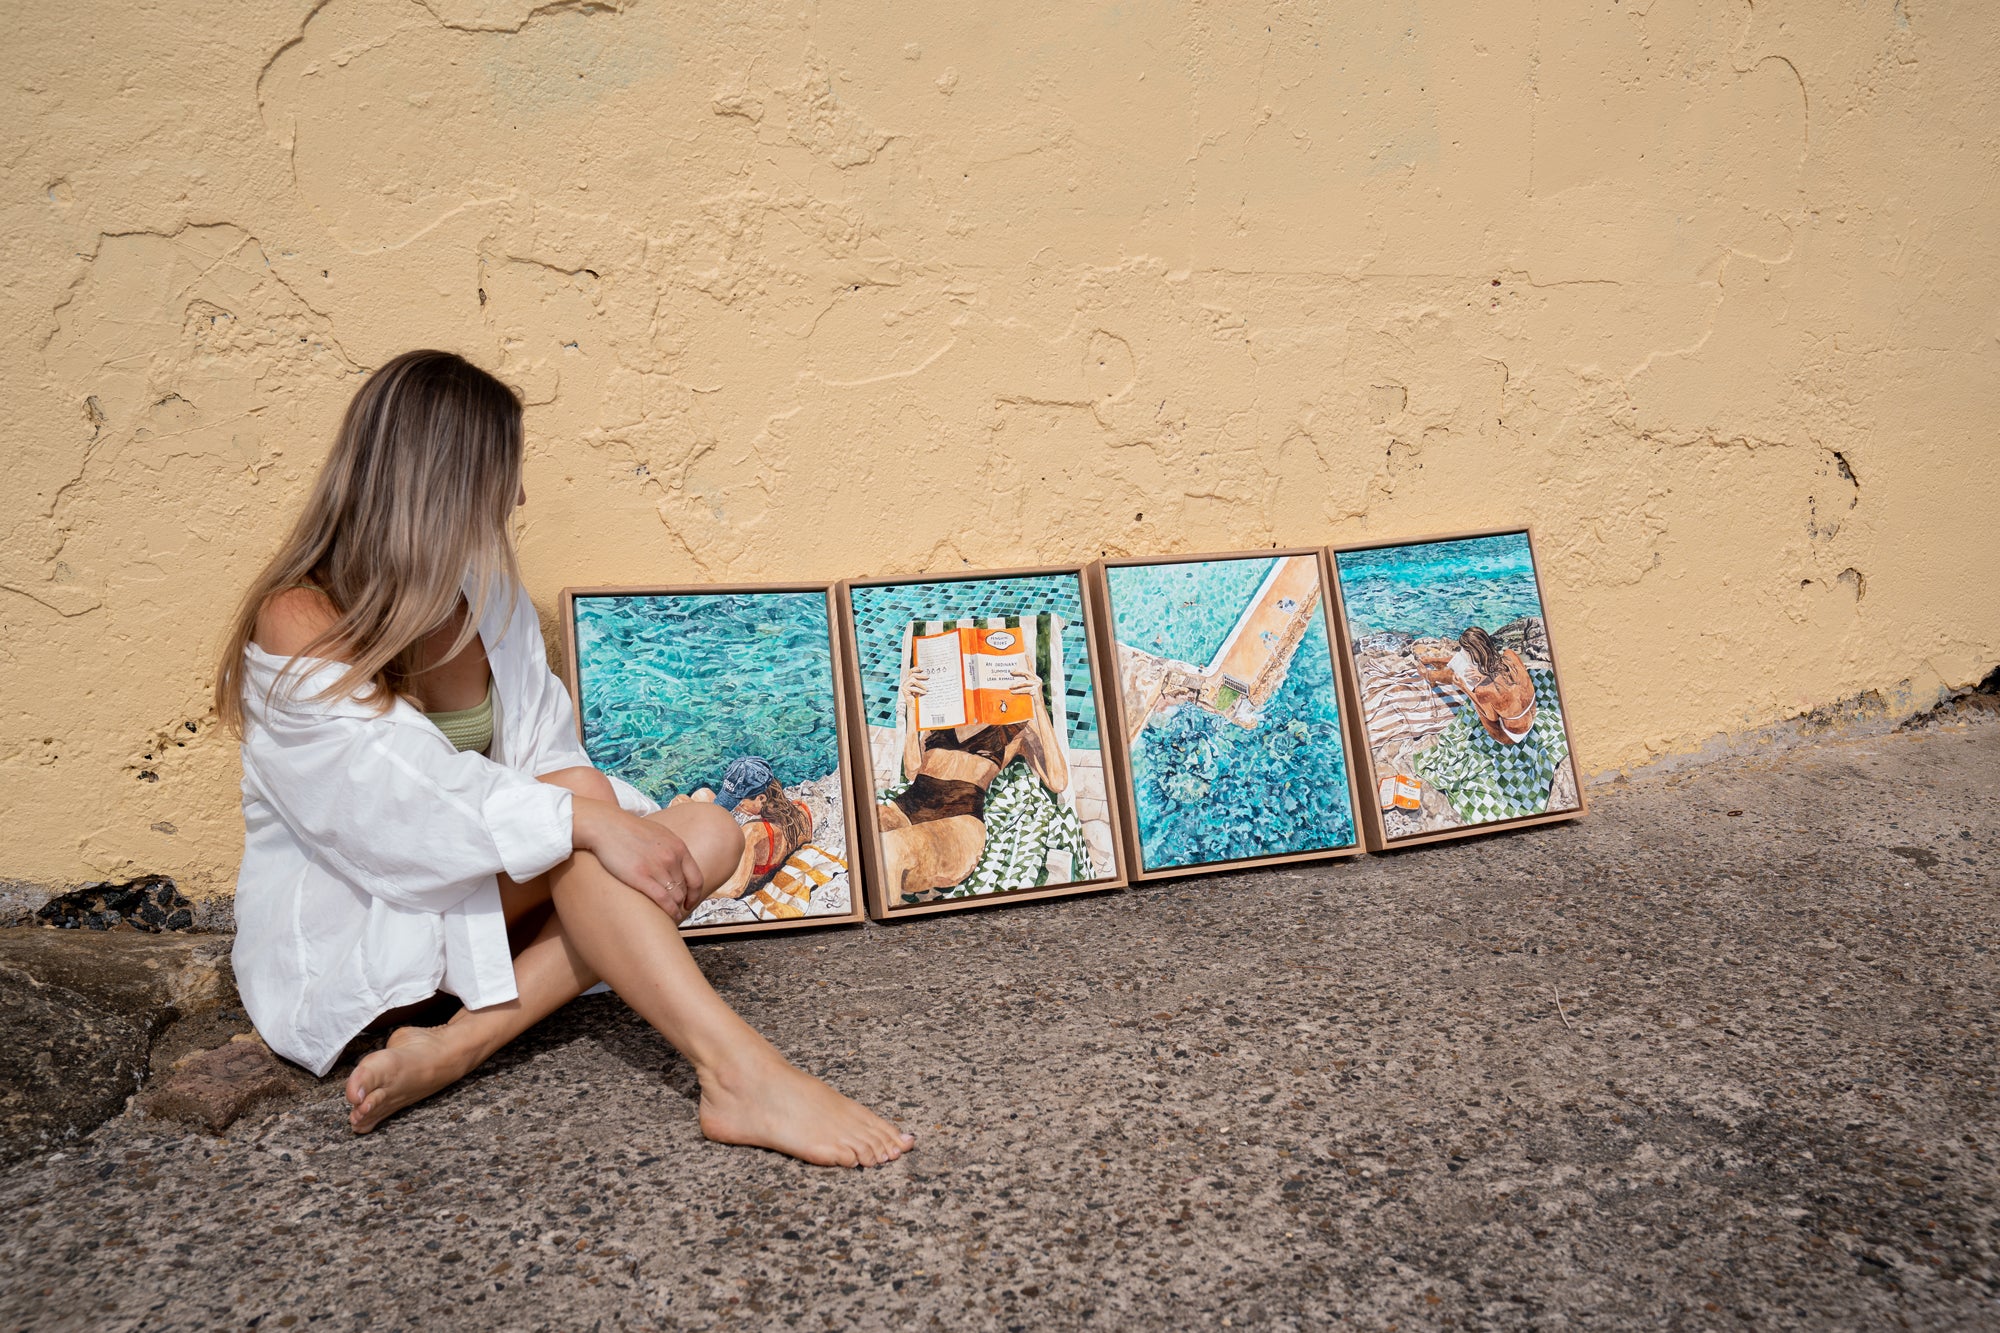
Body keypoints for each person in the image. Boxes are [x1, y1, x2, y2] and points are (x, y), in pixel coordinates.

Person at [214, 350, 912, 1167]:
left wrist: (605, 821)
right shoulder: (300, 616)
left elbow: (551, 756)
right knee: (587, 840)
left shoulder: (484, 597)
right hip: (371, 922)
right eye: (505, 471)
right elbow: (399, 808)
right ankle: (740, 1071)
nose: (519, 496)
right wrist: (591, 824)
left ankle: (462, 1044)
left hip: (486, 918)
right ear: (446, 480)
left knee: (708, 834)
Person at [875, 657, 1069, 902]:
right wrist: (913, 707)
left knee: (889, 848)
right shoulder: (945, 713)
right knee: (857, 827)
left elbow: (1058, 780)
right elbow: (913, 770)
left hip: (958, 820)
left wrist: (1038, 704)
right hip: (909, 804)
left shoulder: (1019, 722)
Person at [672, 756, 815, 901]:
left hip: (722, 869)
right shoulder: (801, 809)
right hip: (757, 854)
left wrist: (687, 892)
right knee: (703, 794)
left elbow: (734, 890)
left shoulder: (752, 832)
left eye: (739, 803)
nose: (737, 808)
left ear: (761, 799)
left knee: (681, 801)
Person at [1414, 625, 1537, 745]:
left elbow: (1492, 718)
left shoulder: (1485, 690)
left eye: (1465, 652)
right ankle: (1436, 664)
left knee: (1457, 678)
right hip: (1531, 717)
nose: (1463, 653)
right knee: (1469, 670)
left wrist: (1464, 687)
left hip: (1510, 735)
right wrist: (1485, 675)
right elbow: (1505, 681)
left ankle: (1429, 675)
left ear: (1474, 653)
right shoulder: (1510, 655)